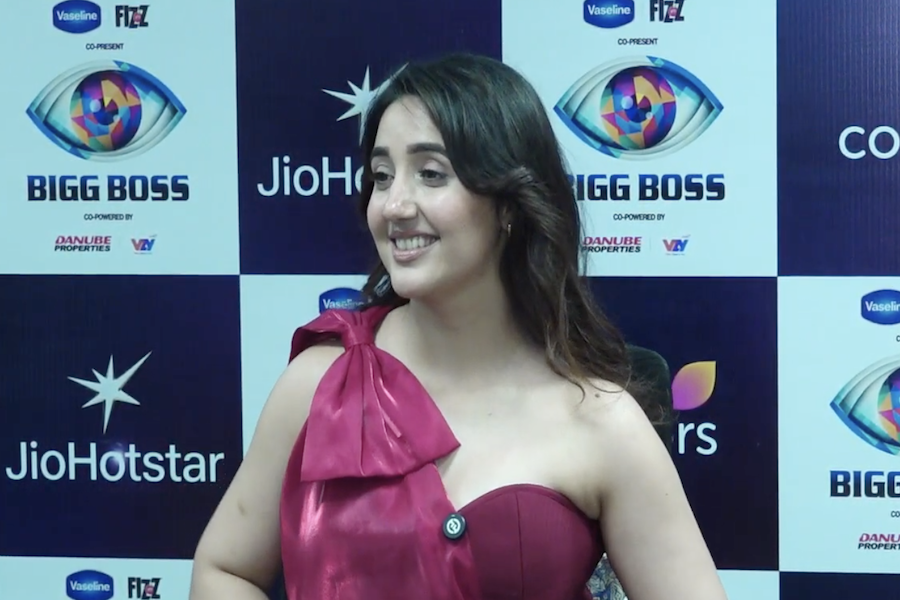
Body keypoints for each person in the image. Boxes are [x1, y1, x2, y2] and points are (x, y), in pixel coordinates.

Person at [189, 53, 728, 600]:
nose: (394, 205)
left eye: (431, 174)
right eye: (381, 176)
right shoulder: (318, 386)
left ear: (509, 204)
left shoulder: (601, 420)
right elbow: (224, 570)